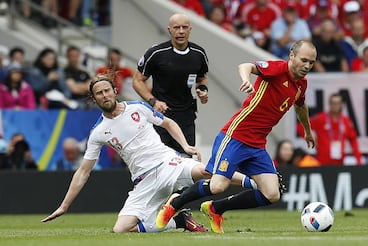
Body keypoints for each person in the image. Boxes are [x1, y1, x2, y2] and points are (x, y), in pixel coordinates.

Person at [42, 74, 258, 233]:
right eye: (99, 93)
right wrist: (64, 206)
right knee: (121, 230)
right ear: (94, 98)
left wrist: (185, 146)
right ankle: (180, 221)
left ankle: (256, 183)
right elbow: (83, 172)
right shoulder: (98, 132)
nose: (104, 95)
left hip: (167, 162)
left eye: (107, 90)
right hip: (143, 181)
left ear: (114, 91)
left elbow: (168, 123)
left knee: (206, 171)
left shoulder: (137, 108)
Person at [155, 40, 316, 233]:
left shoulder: (300, 85)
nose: (307, 66)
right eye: (304, 60)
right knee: (217, 186)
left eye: (311, 63)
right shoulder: (277, 69)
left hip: (257, 145)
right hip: (235, 136)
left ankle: (216, 209)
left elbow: (300, 105)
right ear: (292, 55)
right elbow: (245, 66)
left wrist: (307, 131)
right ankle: (175, 203)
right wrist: (246, 80)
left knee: (272, 194)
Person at [133, 13, 209, 157]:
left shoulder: (199, 53)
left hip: (186, 115)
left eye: (184, 27)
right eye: (176, 27)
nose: (181, 31)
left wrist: (203, 91)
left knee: (186, 159)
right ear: (169, 30)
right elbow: (137, 81)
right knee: (161, 159)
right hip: (161, 115)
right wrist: (153, 101)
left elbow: (202, 78)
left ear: (190, 30)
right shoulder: (156, 53)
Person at [297, 93, 362, 165]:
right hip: (322, 161)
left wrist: (359, 160)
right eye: (333, 103)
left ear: (341, 105)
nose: (335, 106)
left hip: (340, 162)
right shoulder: (320, 118)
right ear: (330, 104)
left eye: (338, 103)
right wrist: (312, 139)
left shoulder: (346, 121)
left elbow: (354, 141)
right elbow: (300, 127)